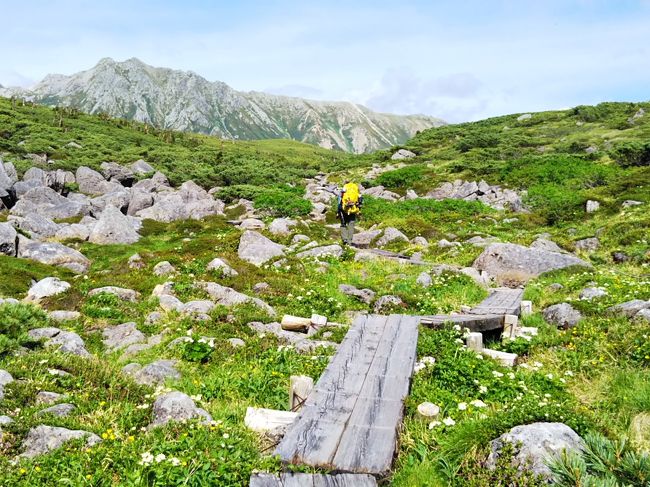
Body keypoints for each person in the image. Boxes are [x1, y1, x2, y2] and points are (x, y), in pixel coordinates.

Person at [337, 181, 363, 245]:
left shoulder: (343, 190)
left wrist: (338, 212)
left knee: (343, 224)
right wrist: (358, 210)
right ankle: (349, 241)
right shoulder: (356, 189)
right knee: (351, 225)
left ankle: (344, 239)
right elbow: (360, 200)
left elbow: (339, 201)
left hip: (343, 210)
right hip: (353, 209)